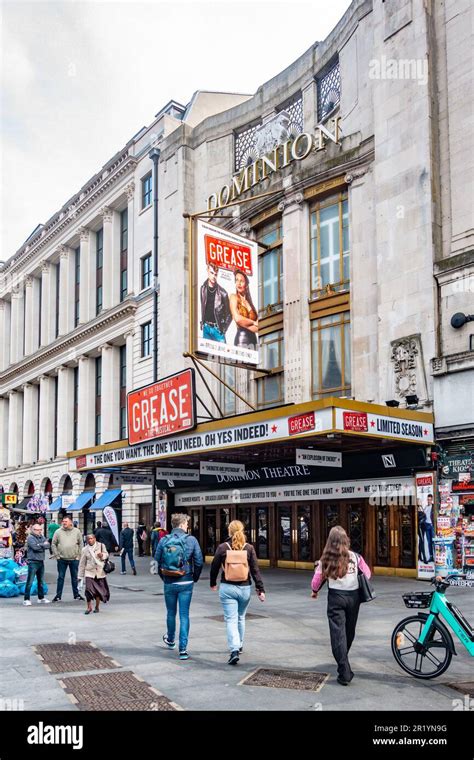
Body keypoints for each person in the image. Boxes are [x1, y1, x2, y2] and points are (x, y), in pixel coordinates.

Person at [311, 525, 371, 686]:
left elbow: (316, 581)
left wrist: (314, 591)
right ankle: (343, 660)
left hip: (335, 598)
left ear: (330, 542)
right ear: (346, 540)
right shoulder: (355, 557)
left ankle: (344, 670)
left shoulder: (326, 559)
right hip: (354, 598)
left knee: (338, 634)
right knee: (349, 631)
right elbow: (368, 574)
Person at [210, 519, 265, 665]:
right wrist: (260, 589)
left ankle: (234, 649)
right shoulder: (249, 548)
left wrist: (212, 583)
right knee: (241, 617)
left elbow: (214, 567)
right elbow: (255, 570)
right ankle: (239, 645)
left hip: (227, 588)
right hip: (245, 588)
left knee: (230, 619)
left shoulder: (223, 547)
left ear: (229, 531)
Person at [155, 513, 203, 660]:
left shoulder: (164, 540)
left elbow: (157, 560)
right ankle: (183, 649)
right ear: (182, 524)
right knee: (184, 615)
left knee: (170, 613)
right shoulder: (191, 540)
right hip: (186, 581)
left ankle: (170, 640)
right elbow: (199, 561)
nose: (188, 526)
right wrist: (194, 577)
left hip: (169, 581)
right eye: (187, 524)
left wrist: (164, 577)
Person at [51, 516, 84, 602]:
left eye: (66, 521)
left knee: (75, 578)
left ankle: (76, 595)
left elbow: (81, 543)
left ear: (70, 522)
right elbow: (53, 544)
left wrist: (79, 555)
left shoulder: (77, 531)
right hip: (62, 559)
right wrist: (56, 555)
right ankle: (58, 596)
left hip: (74, 559)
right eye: (63, 521)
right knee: (61, 577)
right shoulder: (58, 532)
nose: (64, 523)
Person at [200, 263, 232, 343]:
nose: (214, 276)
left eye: (216, 274)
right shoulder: (203, 289)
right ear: (207, 271)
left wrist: (223, 329)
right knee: (206, 355)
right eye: (211, 273)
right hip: (206, 328)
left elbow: (229, 314)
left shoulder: (223, 293)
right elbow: (203, 307)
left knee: (223, 355)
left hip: (218, 330)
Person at [78, 534, 110, 614]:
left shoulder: (101, 545)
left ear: (95, 539)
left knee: (98, 591)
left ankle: (97, 606)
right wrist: (80, 576)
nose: (90, 540)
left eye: (91, 538)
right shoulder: (85, 549)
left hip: (100, 572)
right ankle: (89, 607)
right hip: (89, 572)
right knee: (88, 590)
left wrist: (102, 555)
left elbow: (106, 554)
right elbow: (82, 563)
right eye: (88, 539)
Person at [229, 269, 258, 350]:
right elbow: (237, 319)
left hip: (253, 340)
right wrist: (253, 322)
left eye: (241, 281)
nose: (239, 283)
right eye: (237, 280)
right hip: (241, 339)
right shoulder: (233, 297)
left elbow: (259, 327)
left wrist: (245, 323)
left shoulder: (250, 303)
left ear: (246, 285)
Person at [23, 524, 51, 606]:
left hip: (40, 561)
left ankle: (41, 598)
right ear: (33, 530)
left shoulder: (41, 536)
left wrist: (40, 544)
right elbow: (35, 548)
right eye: (38, 530)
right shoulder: (30, 538)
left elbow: (48, 545)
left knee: (41, 581)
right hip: (33, 561)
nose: (40, 531)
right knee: (30, 581)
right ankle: (26, 599)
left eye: (40, 529)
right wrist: (43, 544)